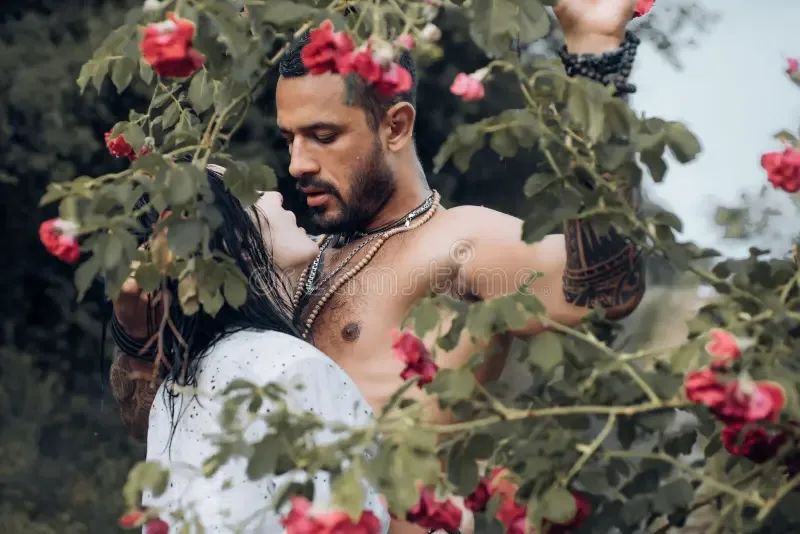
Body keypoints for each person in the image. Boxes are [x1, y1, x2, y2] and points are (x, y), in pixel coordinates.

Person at [111, 1, 645, 532]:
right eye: (289, 139)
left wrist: (595, 52)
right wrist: (137, 339)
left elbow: (607, 289)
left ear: (395, 126)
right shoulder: (288, 263)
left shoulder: (459, 245)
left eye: (323, 136)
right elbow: (149, 423)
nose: (297, 163)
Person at [117, 167, 389, 532]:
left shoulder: (176, 390)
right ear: (237, 246)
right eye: (251, 193)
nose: (276, 195)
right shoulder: (293, 368)